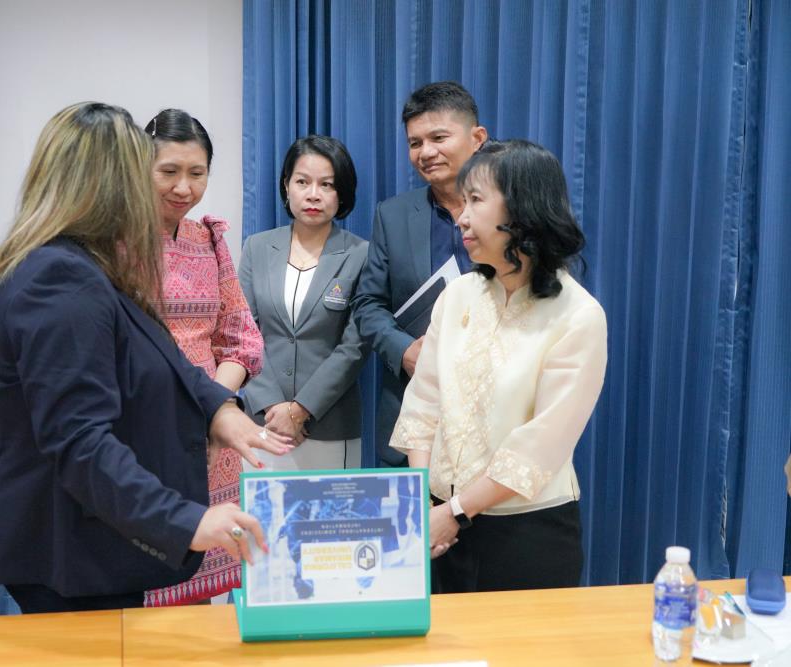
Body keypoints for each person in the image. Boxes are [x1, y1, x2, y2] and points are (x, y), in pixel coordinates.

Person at [0, 102, 291, 613]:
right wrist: (188, 521)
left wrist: (218, 409)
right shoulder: (61, 280)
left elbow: (159, 352)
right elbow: (80, 442)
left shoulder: (83, 264)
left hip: (92, 537)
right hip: (68, 546)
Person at [390, 139, 608, 593]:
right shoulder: (458, 296)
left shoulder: (578, 315)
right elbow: (423, 403)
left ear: (523, 209)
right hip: (439, 528)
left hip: (526, 533)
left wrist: (456, 512)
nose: (461, 216)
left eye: (475, 200)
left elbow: (541, 444)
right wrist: (422, 499)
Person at [142, 108, 264, 607]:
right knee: (144, 582)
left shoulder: (209, 238)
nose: (184, 188)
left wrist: (215, 405)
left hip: (213, 430)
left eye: (197, 173)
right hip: (146, 428)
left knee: (198, 608)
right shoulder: (114, 242)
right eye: (169, 171)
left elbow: (241, 336)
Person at [352, 81, 487, 467]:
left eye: (438, 138)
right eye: (415, 143)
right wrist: (405, 351)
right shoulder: (392, 215)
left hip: (492, 420)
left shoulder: (513, 209)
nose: (426, 152)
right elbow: (368, 304)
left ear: (477, 138)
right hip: (412, 415)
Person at [239, 135, 370, 470]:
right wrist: (273, 407)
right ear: (286, 186)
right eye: (302, 182)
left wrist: (299, 411)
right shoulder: (256, 247)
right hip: (262, 424)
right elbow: (243, 333)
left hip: (330, 426)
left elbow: (354, 346)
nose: (313, 194)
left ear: (342, 193)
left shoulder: (361, 254)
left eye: (327, 184)